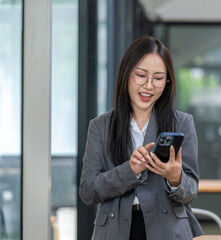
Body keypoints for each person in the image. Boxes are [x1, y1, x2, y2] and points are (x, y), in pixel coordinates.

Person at [79, 36, 203, 240]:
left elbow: (190, 192)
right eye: (141, 75)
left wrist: (175, 178)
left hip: (166, 230)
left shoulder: (181, 123)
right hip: (117, 230)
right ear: (127, 75)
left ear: (167, 81)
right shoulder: (101, 126)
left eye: (158, 78)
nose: (149, 85)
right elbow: (88, 191)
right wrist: (129, 171)